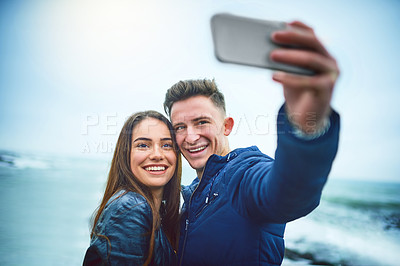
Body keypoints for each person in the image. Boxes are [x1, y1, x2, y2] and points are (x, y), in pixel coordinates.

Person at [163, 21, 340, 265]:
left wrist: (306, 129)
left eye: (201, 122)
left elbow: (288, 193)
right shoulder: (193, 191)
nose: (190, 137)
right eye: (180, 127)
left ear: (227, 126)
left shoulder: (242, 174)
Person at [83, 111, 181, 265]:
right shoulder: (130, 208)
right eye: (143, 145)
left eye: (166, 145)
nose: (157, 154)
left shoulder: (158, 212)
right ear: (125, 154)